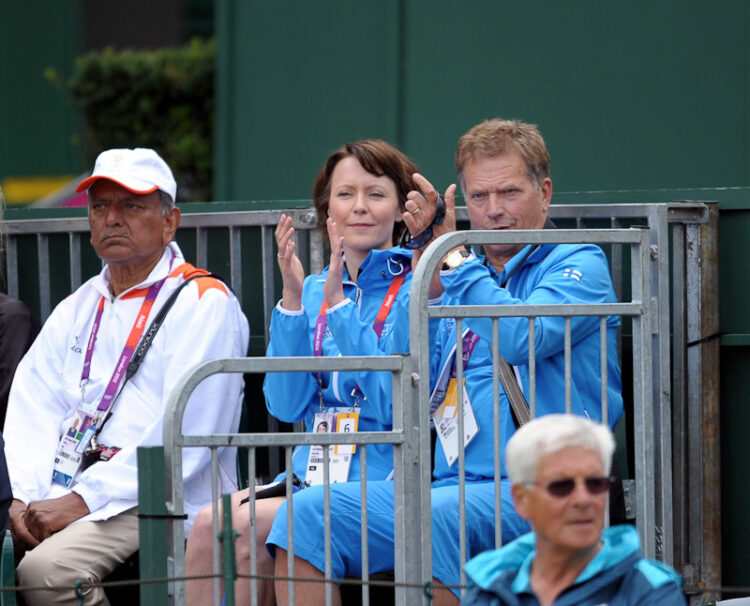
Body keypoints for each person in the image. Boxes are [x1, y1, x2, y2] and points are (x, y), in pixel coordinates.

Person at [269, 118, 622, 606]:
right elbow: (409, 386)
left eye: (509, 193)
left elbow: (519, 336)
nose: (493, 211)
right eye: (478, 197)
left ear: (545, 193)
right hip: (448, 484)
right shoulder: (456, 276)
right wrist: (419, 274)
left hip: (547, 490)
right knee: (305, 513)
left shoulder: (576, 261)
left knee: (436, 516)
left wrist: (450, 259)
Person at [3, 148, 250, 606]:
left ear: (170, 221)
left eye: (131, 206)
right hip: (68, 489)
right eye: (100, 206)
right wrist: (23, 499)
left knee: (46, 573)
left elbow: (185, 440)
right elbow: (31, 409)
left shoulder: (204, 301)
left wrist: (81, 500)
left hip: (160, 496)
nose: (112, 219)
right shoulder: (78, 305)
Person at [184, 139, 419, 605]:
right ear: (326, 210)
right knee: (209, 525)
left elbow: (394, 403)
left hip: (386, 478)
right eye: (345, 194)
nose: (360, 208)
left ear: (400, 209)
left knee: (244, 529)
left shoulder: (417, 284)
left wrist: (339, 308)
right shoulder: (310, 289)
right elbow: (285, 404)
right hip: (311, 473)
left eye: (376, 194)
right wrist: (293, 301)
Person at [462, 414, 685, 605]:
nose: (583, 499)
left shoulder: (651, 590)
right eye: (561, 486)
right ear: (522, 500)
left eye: (595, 483)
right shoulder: (489, 589)